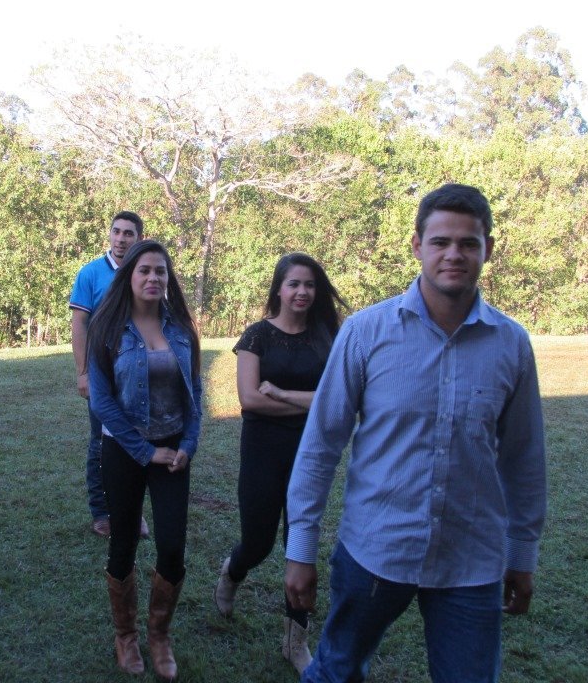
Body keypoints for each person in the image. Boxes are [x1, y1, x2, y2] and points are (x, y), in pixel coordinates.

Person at [284, 183, 547, 683]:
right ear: (417, 246)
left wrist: (522, 552)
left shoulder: (511, 344)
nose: (454, 254)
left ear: (488, 249)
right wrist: (300, 547)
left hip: (471, 559)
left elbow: (524, 456)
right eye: (440, 241)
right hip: (375, 549)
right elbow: (321, 445)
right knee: (336, 671)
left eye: (468, 243)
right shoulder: (366, 332)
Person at [214, 253, 348, 673]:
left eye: (309, 284)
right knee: (258, 542)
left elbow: (340, 398)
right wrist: (312, 404)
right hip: (262, 450)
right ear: (278, 289)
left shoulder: (329, 337)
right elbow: (250, 399)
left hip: (311, 453)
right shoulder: (256, 337)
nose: (302, 292)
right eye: (294, 284)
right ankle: (232, 572)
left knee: (300, 546)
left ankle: (295, 641)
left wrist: (285, 395)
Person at [87, 240, 202, 680]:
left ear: (169, 279)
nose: (154, 277)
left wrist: (188, 444)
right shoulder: (107, 329)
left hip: (172, 452)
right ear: (129, 277)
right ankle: (125, 635)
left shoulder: (182, 329)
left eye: (161, 271)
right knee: (123, 542)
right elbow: (101, 401)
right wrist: (145, 450)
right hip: (124, 450)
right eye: (145, 270)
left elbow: (195, 393)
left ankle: (158, 635)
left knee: (172, 545)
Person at [69, 211, 149, 538]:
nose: (120, 239)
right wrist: (83, 373)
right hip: (102, 374)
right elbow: (79, 325)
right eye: (116, 231)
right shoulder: (90, 273)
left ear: (139, 238)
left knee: (137, 439)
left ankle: (132, 512)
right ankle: (102, 512)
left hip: (137, 372)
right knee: (101, 442)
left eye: (128, 233)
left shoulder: (144, 274)